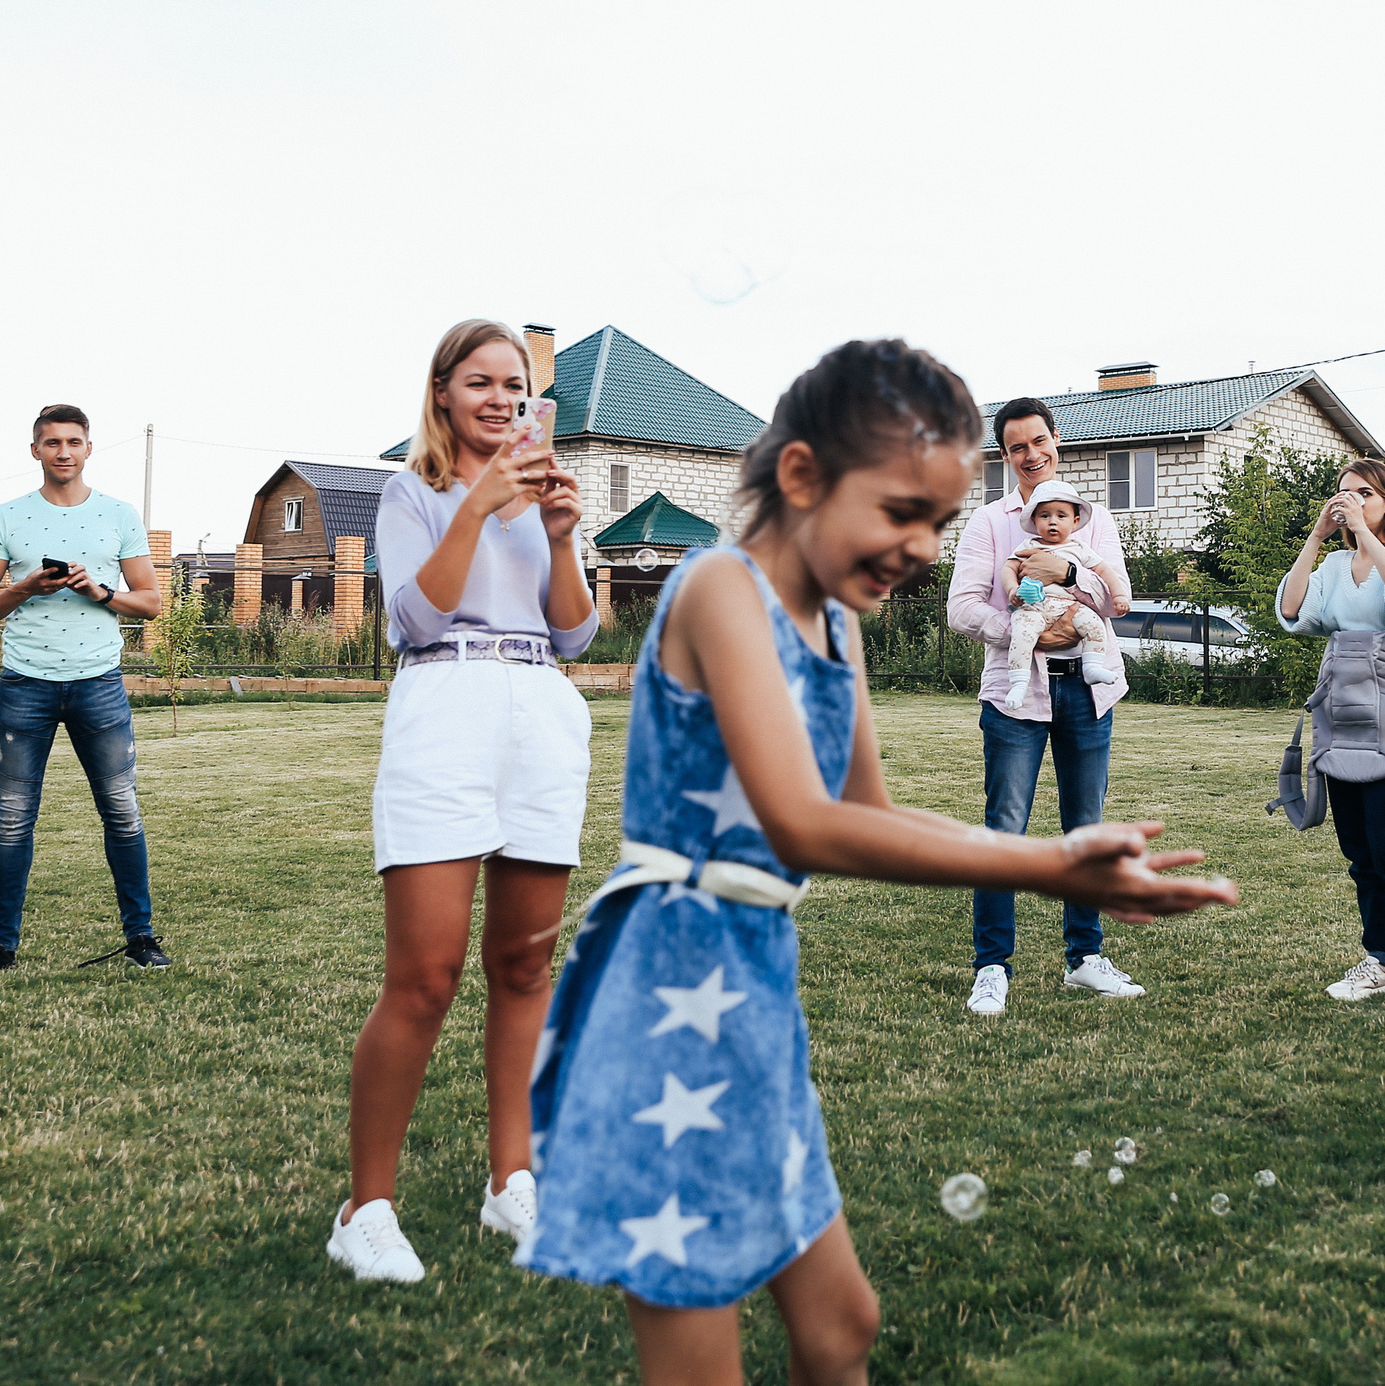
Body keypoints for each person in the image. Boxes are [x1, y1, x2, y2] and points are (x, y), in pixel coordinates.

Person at [516, 338, 1234, 1386]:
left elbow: (871, 813)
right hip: (671, 978)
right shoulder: (720, 588)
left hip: (751, 980)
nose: (920, 545)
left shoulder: (836, 627)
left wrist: (1051, 851)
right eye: (901, 510)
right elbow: (804, 824)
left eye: (940, 524)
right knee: (698, 1350)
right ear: (802, 475)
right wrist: (1041, 868)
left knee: (840, 1324)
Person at [326, 320, 597, 1285]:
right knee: (427, 975)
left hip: (541, 709)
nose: (497, 398)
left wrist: (561, 539)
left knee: (526, 965)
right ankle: (365, 1206)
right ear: (441, 392)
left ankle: (510, 1182)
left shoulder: (541, 500)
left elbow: (573, 636)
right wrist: (477, 508)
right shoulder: (414, 491)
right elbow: (414, 616)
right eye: (477, 381)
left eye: (512, 384)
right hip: (446, 702)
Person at [0, 404, 166, 978]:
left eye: (73, 442)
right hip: (26, 687)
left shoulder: (118, 515)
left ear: (89, 448)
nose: (63, 451)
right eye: (52, 443)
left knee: (122, 811)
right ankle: (0, 946)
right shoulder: (6, 517)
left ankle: (141, 938)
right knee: (14, 818)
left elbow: (150, 601)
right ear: (35, 451)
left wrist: (100, 591)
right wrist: (24, 588)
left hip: (99, 685)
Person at [946, 397, 1140, 1018]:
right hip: (1015, 693)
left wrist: (1069, 575)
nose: (1033, 455)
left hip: (1088, 690)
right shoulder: (989, 524)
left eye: (1040, 441)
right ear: (1006, 456)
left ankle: (1084, 959)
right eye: (1018, 447)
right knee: (1004, 828)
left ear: (1057, 441)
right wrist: (1024, 631)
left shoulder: (1093, 518)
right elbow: (963, 608)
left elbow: (1115, 603)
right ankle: (992, 968)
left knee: (1085, 826)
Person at [1275, 457, 1385, 1007]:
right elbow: (1290, 607)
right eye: (1343, 494)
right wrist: (1318, 535)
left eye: (1364, 495)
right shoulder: (1332, 564)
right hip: (1341, 704)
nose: (1350, 502)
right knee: (1357, 846)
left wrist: (1367, 535)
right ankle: (1382, 961)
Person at [1001, 482, 1127, 709]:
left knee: (1095, 625)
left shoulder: (1079, 548)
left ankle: (1092, 666)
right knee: (1021, 633)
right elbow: (1009, 568)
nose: (1052, 521)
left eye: (1061, 516)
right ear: (1034, 521)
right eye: (1045, 516)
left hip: (1069, 605)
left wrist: (1119, 596)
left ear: (1075, 522)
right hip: (1034, 608)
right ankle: (1019, 683)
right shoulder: (1028, 544)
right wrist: (1012, 589)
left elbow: (1105, 571)